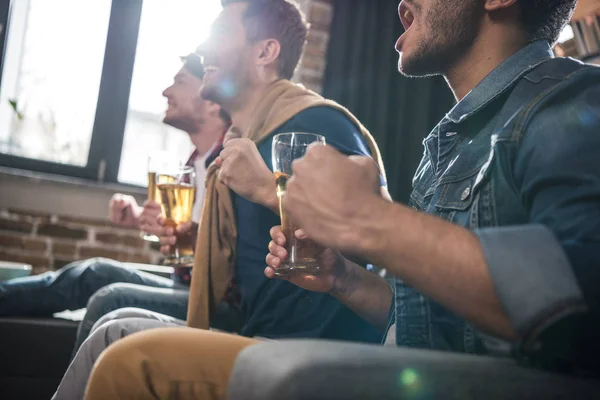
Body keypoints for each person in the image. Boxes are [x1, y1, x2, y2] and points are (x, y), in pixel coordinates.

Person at [80, 0, 599, 398]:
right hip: (413, 366)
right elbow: (425, 318)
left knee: (131, 357)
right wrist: (344, 279)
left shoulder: (570, 103)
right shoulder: (448, 140)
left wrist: (371, 221)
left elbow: (579, 305)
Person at [51, 0, 392, 398]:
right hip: (257, 328)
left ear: (265, 51)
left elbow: (371, 231)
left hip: (310, 347)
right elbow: (244, 266)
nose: (203, 50)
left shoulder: (312, 124)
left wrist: (268, 188)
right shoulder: (241, 141)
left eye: (219, 34)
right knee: (118, 317)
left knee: (113, 333)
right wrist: (196, 239)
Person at [0, 54, 230, 351]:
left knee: (99, 279)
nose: (166, 91)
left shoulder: (228, 160)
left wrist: (184, 235)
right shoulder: (195, 162)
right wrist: (139, 219)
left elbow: (223, 248)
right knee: (93, 274)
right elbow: (186, 240)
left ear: (212, 99)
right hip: (187, 284)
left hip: (215, 299)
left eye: (180, 81)